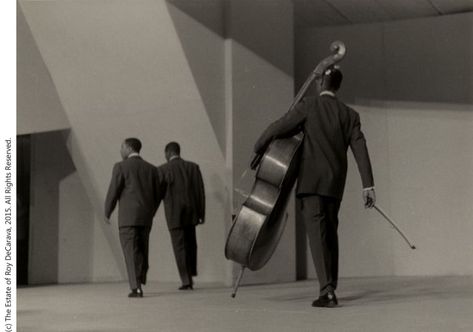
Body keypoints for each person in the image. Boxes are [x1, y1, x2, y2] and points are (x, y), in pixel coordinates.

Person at [253, 67, 376, 308]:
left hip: (311, 184)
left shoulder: (309, 105)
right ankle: (329, 285)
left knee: (318, 237)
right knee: (330, 235)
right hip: (335, 186)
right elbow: (360, 149)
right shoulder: (349, 115)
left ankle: (327, 291)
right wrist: (367, 185)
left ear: (320, 83)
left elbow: (279, 127)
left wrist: (259, 147)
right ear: (337, 86)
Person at [104, 138, 162, 298]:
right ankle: (140, 277)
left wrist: (107, 211)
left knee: (131, 252)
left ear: (129, 148)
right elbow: (158, 195)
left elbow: (113, 191)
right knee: (143, 250)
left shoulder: (121, 167)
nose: (120, 150)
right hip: (145, 217)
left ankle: (136, 287)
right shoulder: (152, 169)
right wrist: (150, 212)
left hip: (127, 218)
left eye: (122, 147)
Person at [157, 142, 205, 290]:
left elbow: (158, 194)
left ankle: (186, 280)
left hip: (174, 215)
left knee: (179, 247)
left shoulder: (162, 170)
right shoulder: (193, 167)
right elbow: (200, 192)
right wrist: (201, 214)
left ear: (168, 153)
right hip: (192, 214)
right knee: (191, 244)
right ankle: (190, 274)